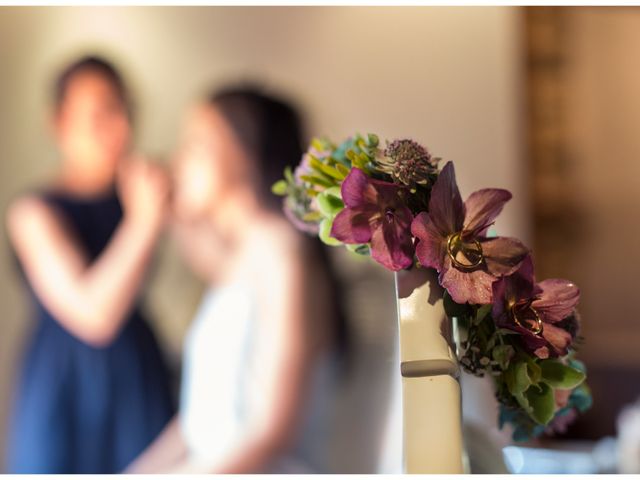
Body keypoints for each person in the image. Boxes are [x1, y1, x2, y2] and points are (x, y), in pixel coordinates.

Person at [126, 87, 348, 473]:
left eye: (195, 145)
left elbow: (275, 428)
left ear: (244, 151)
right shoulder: (239, 262)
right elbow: (202, 424)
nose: (178, 162)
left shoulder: (284, 256)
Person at [5, 56, 174, 473]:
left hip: (137, 370)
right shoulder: (34, 212)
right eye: (99, 116)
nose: (119, 131)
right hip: (64, 381)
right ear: (58, 122)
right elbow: (94, 315)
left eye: (123, 111)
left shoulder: (139, 195)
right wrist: (144, 221)